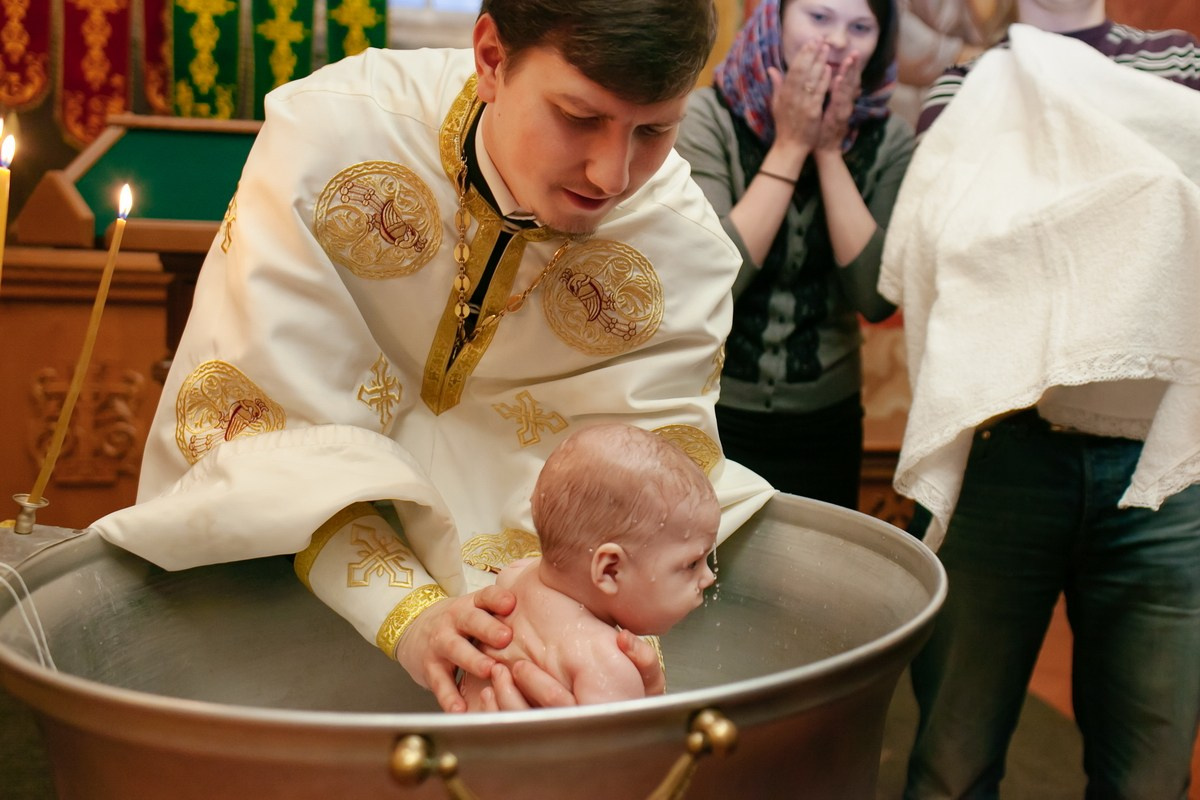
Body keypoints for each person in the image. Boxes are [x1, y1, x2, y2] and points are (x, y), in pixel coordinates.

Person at [91, 0, 774, 714]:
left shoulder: (678, 248)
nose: (611, 174)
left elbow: (648, 504)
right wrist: (410, 614)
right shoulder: (333, 137)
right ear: (491, 58)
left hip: (526, 632)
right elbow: (253, 426)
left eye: (655, 130)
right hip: (282, 615)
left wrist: (595, 643)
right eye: (578, 117)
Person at [878, 1, 1200, 796]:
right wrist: (1130, 213)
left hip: (1159, 468)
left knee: (1151, 775)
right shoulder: (972, 81)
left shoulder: (1175, 60)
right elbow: (956, 235)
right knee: (951, 762)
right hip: (1003, 448)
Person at [674, 0, 912, 511]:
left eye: (861, 27)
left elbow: (875, 297)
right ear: (774, 20)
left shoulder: (889, 139)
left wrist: (826, 150)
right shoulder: (706, 118)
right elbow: (713, 283)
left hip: (826, 418)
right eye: (819, 17)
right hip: (710, 408)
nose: (839, 42)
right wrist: (790, 145)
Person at [459, 422, 719, 710]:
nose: (707, 577)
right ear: (610, 570)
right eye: (692, 564)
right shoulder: (606, 667)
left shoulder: (512, 578)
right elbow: (636, 755)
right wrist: (652, 698)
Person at [891, 0, 1015, 127]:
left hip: (989, 93)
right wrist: (995, 59)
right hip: (916, 104)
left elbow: (1002, 31)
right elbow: (901, 42)